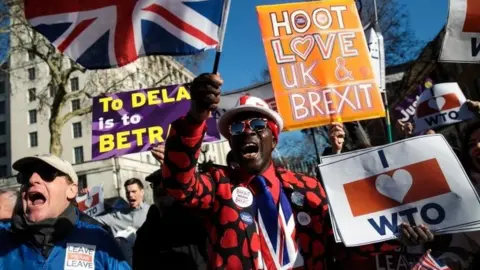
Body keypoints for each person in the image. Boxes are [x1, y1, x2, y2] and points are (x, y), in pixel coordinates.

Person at [159, 73, 430, 269]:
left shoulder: (309, 188)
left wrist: (397, 238)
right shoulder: (219, 184)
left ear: (274, 139)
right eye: (237, 129)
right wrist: (195, 118)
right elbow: (178, 184)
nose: (247, 132)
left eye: (257, 125)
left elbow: (344, 244)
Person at [0, 154, 130, 269]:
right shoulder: (3, 242)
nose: (32, 180)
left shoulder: (99, 241)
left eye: (47, 173)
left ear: (72, 190)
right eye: (26, 176)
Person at [133, 144, 209, 270]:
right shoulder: (146, 231)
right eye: (155, 185)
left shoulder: (195, 219)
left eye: (164, 185)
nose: (159, 189)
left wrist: (177, 167)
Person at [81, 178, 150, 265]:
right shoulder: (117, 215)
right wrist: (84, 200)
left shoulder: (151, 212)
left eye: (134, 191)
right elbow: (89, 219)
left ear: (142, 192)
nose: (130, 195)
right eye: (128, 192)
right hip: (124, 264)